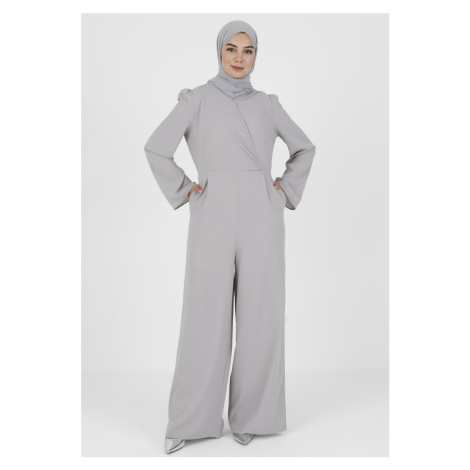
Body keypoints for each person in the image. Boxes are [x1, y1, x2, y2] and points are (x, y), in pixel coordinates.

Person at [144, 20, 316, 454]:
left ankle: (252, 417)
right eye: (231, 49)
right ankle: (189, 420)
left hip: (262, 217)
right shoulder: (196, 100)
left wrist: (283, 191)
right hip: (212, 216)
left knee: (262, 317)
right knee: (204, 316)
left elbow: (304, 148)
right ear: (219, 51)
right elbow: (156, 147)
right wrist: (186, 190)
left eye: (248, 50)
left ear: (256, 55)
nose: (239, 58)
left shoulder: (268, 105)